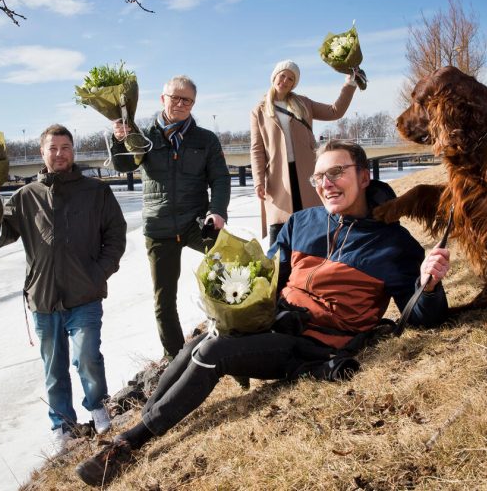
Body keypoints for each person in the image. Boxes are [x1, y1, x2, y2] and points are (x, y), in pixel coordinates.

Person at [75, 139, 451, 486]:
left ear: (365, 176)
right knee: (200, 343)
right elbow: (266, 279)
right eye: (319, 176)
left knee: (211, 353)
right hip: (276, 323)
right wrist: (233, 304)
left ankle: (129, 444)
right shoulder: (302, 222)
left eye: (337, 172)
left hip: (317, 345)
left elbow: (423, 320)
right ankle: (132, 435)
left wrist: (428, 284)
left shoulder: (395, 244)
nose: (327, 183)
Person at [0, 124, 127, 452]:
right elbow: (0, 236)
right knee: (54, 369)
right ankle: (63, 426)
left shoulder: (96, 192)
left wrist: (99, 273)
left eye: (65, 147)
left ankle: (98, 408)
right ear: (42, 153)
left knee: (87, 357)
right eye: (52, 148)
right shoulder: (26, 196)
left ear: (74, 151)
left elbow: (116, 235)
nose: (59, 154)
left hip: (84, 295)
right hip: (42, 299)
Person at [110, 75, 231, 360]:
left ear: (193, 103)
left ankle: (233, 334)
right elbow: (124, 166)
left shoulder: (206, 139)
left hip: (197, 223)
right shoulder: (143, 136)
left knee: (230, 275)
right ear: (162, 98)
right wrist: (120, 141)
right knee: (164, 300)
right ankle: (176, 358)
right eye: (174, 97)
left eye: (186, 99)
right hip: (159, 226)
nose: (179, 103)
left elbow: (221, 178)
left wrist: (218, 211)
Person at [250, 59, 363, 240]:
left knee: (312, 226)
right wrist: (258, 181)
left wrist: (349, 84)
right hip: (278, 177)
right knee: (279, 233)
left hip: (306, 172)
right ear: (274, 77)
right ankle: (281, 266)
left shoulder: (304, 103)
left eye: (290, 79)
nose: (285, 81)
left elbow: (335, 111)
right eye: (283, 76)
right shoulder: (259, 111)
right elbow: (257, 150)